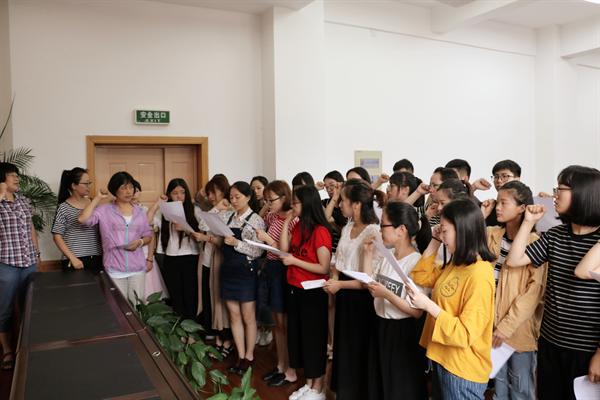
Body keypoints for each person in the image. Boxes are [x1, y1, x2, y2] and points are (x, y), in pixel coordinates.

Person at [505, 165, 600, 399]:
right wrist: (527, 222)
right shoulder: (556, 235)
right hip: (551, 342)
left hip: (587, 350)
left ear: (583, 193)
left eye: (561, 189)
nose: (555, 195)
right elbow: (514, 260)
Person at [409, 198, 496, 399]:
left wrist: (429, 306)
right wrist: (435, 239)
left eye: (445, 231)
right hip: (444, 358)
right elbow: (421, 275)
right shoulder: (457, 263)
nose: (442, 235)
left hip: (462, 368)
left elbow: (464, 334)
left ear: (462, 231)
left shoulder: (479, 275)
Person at [482, 181, 545, 400]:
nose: (498, 207)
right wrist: (481, 215)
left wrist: (506, 326)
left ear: (522, 208)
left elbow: (533, 292)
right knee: (499, 390)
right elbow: (466, 247)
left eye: (504, 203)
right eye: (497, 202)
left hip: (518, 332)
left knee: (520, 392)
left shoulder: (536, 242)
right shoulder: (491, 234)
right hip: (490, 327)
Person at [363, 202, 429, 400]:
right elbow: (371, 285)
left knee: (400, 385)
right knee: (380, 380)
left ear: (401, 230)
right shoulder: (388, 255)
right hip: (380, 325)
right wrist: (367, 254)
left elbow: (417, 311)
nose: (380, 230)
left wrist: (387, 295)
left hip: (402, 332)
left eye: (383, 225)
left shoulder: (417, 262)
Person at [324, 180, 380, 400]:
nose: (339, 205)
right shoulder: (348, 226)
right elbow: (339, 259)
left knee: (358, 347)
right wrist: (334, 277)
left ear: (356, 205)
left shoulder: (373, 231)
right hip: (344, 294)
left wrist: (339, 284)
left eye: (343, 201)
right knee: (343, 345)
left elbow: (369, 278)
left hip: (361, 298)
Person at [280, 185, 332, 400]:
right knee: (299, 337)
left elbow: (324, 267)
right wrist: (286, 222)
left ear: (307, 203)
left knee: (313, 339)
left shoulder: (320, 231)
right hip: (295, 288)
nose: (292, 206)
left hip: (313, 291)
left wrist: (295, 261)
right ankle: (309, 383)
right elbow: (284, 250)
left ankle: (318, 387)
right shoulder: (299, 226)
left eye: (296, 202)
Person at [79, 171, 153, 304]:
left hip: (137, 268)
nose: (128, 191)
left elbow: (148, 235)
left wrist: (140, 242)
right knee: (119, 307)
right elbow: (82, 219)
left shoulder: (139, 211)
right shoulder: (104, 210)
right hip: (114, 268)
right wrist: (97, 198)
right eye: (123, 188)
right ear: (115, 190)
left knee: (138, 307)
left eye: (131, 187)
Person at [255, 180, 299, 387]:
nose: (267, 204)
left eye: (270, 200)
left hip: (284, 270)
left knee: (284, 323)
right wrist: (267, 205)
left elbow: (286, 251)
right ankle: (281, 365)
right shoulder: (272, 216)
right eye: (265, 200)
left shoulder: (294, 219)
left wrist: (267, 240)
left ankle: (290, 368)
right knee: (276, 323)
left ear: (284, 198)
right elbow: (259, 218)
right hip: (270, 269)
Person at [220, 181, 266, 375]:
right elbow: (204, 224)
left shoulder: (256, 220)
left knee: (248, 316)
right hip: (228, 269)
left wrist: (236, 243)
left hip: (246, 271)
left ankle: (249, 355)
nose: (233, 200)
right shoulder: (227, 216)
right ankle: (239, 355)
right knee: (234, 315)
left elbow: (258, 251)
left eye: (237, 197)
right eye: (231, 197)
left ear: (248, 197)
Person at [0, 162, 39, 371]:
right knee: (5, 308)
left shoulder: (24, 200)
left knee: (29, 306)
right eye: (12, 175)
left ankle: (25, 347)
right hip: (6, 263)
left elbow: (30, 227)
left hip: (29, 261)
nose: (17, 178)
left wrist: (37, 252)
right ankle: (7, 350)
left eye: (17, 175)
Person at [191, 175, 233, 356]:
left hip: (220, 259)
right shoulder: (213, 209)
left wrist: (206, 237)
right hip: (207, 259)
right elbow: (202, 224)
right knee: (209, 299)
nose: (209, 197)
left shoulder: (230, 210)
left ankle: (226, 339)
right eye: (208, 193)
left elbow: (221, 236)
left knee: (220, 302)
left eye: (212, 192)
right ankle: (217, 336)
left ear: (222, 191)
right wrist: (215, 208)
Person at [153, 178, 201, 320]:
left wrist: (186, 229)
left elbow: (203, 235)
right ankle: (179, 326)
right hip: (171, 257)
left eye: (182, 192)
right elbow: (147, 221)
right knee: (175, 294)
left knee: (190, 293)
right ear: (169, 194)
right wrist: (158, 203)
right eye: (175, 193)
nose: (179, 196)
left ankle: (192, 326)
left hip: (191, 256)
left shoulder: (194, 210)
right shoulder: (163, 211)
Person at [52, 167, 102, 273]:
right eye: (86, 183)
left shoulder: (93, 203)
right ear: (74, 186)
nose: (89, 186)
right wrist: (72, 258)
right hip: (75, 260)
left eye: (89, 183)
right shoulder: (64, 207)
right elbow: (57, 236)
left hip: (96, 257)